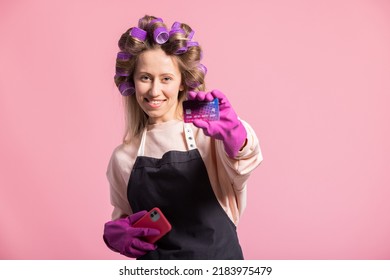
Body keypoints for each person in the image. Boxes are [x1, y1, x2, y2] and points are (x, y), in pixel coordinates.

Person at [103, 15, 263, 260]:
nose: (155, 90)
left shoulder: (208, 135)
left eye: (166, 78)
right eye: (145, 77)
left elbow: (245, 158)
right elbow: (127, 219)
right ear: (133, 81)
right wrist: (116, 235)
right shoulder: (123, 157)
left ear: (181, 83)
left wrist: (236, 134)